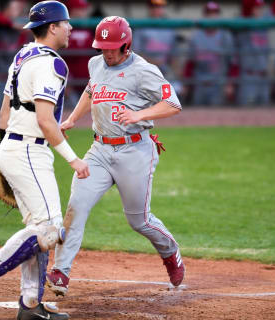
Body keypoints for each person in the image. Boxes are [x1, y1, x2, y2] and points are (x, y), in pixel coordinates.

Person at [0, 2, 89, 320]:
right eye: (66, 24)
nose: (71, 28)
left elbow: (6, 110)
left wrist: (5, 147)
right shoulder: (53, 64)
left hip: (16, 148)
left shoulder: (23, 55)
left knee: (39, 227)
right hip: (30, 152)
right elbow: (46, 121)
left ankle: (30, 306)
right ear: (53, 28)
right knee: (49, 229)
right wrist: (74, 160)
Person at [46, 16, 185, 297]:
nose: (107, 52)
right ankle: (61, 271)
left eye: (113, 47)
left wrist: (139, 114)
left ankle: (171, 252)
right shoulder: (96, 63)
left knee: (139, 221)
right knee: (76, 206)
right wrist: (73, 118)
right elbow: (90, 90)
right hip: (99, 150)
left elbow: (173, 104)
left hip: (135, 151)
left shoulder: (144, 70)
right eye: (103, 47)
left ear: (126, 45)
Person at [236, 0, 275, 106]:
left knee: (264, 110)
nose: (259, 10)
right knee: (246, 110)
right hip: (248, 76)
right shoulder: (242, 22)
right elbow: (244, 11)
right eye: (256, 7)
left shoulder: (264, 21)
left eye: (260, 8)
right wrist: (248, 8)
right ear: (250, 9)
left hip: (263, 75)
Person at [0, 0, 30, 111]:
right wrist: (12, 25)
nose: (18, 11)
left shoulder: (21, 25)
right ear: (6, 9)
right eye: (15, 8)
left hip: (11, 80)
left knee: (10, 114)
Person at [187, 2, 234, 106]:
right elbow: (190, 63)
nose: (212, 16)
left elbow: (232, 62)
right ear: (204, 15)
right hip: (199, 83)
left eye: (215, 13)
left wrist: (230, 83)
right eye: (209, 13)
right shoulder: (196, 36)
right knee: (197, 114)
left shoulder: (225, 35)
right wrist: (187, 85)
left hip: (218, 84)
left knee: (218, 116)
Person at [132, 0, 183, 93]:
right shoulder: (141, 26)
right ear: (149, 7)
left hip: (165, 73)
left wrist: (179, 77)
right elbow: (135, 54)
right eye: (153, 6)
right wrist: (154, 62)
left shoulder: (170, 28)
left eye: (160, 6)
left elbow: (175, 57)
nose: (156, 9)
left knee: (178, 90)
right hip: (145, 73)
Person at [62, 0, 95, 108]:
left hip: (88, 82)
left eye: (84, 9)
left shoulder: (90, 29)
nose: (82, 13)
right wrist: (65, 81)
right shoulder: (63, 30)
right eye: (79, 9)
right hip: (70, 84)